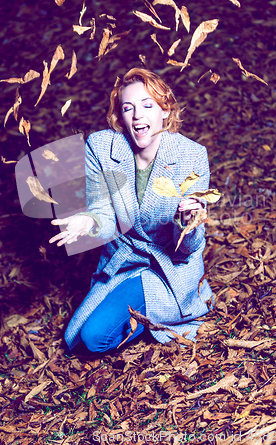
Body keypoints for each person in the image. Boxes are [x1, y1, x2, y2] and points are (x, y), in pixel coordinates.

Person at [49, 68, 213, 353]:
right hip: (124, 261)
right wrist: (88, 222)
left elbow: (188, 247)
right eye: (128, 108)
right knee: (73, 339)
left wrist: (189, 222)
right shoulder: (101, 147)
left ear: (165, 111)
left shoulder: (191, 155)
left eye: (148, 105)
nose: (138, 115)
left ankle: (178, 304)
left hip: (170, 265)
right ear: (120, 117)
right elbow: (102, 211)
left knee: (95, 338)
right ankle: (138, 306)